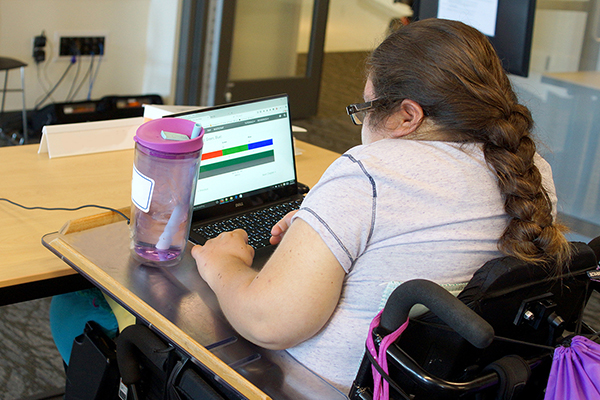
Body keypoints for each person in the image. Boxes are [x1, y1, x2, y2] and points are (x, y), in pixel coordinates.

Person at [191, 18, 572, 395]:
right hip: (452, 384)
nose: (360, 122)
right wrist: (325, 223)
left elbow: (268, 322)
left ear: (408, 115)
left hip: (318, 387)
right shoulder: (530, 172)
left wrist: (222, 262)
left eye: (364, 107)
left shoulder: (368, 174)